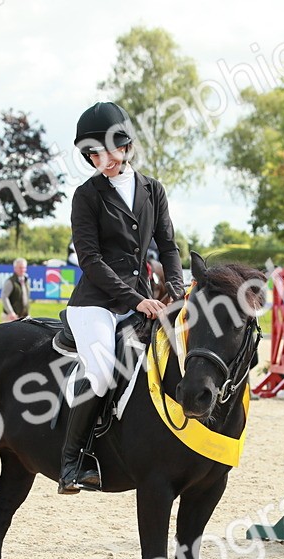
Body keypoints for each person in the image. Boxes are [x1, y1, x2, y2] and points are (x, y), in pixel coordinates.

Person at [59, 101, 184, 494]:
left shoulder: (152, 190)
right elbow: (91, 261)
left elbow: (169, 247)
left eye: (106, 150)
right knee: (99, 371)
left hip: (143, 299)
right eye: (92, 154)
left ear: (125, 145)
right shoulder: (87, 195)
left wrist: (178, 291)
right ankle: (72, 462)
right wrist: (136, 300)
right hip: (95, 303)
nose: (100, 159)